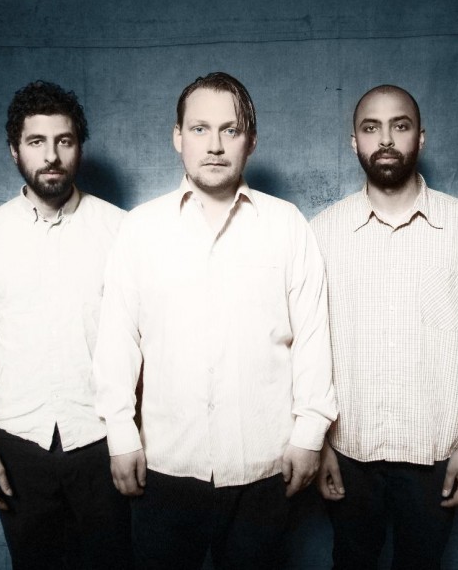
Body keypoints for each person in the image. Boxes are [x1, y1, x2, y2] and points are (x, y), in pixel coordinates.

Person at [93, 71, 336, 570]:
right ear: (177, 136)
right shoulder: (141, 229)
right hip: (165, 464)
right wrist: (120, 433)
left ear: (252, 140)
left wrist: (309, 435)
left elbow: (313, 336)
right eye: (200, 129)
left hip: (265, 465)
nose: (215, 146)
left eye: (231, 130)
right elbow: (117, 339)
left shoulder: (287, 224)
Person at [311, 84, 458, 570]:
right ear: (354, 142)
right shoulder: (321, 232)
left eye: (399, 126)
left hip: (435, 453)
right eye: (371, 127)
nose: (385, 139)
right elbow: (308, 344)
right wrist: (318, 445)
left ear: (420, 137)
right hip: (349, 449)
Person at [0, 80, 132, 569]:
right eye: (36, 141)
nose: (51, 156)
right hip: (18, 444)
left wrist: (132, 440)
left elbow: (141, 344)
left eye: (64, 141)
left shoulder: (120, 231)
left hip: (102, 442)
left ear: (79, 148)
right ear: (15, 150)